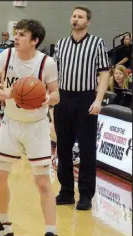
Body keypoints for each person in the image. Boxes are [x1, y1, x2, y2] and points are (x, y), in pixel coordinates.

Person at [0, 19, 60, 236]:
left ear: (35, 40)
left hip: (36, 127)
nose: (17, 37)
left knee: (42, 183)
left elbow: (56, 94)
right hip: (11, 124)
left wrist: (47, 99)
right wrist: (6, 93)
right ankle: (3, 225)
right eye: (17, 33)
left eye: (22, 34)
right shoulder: (7, 56)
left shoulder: (47, 63)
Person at [53, 6, 110, 210]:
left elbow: (105, 73)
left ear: (88, 22)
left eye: (80, 17)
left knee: (86, 149)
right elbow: (54, 73)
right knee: (63, 147)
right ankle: (66, 191)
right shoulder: (61, 44)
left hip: (86, 98)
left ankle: (86, 195)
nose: (76, 19)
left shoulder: (97, 43)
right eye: (74, 16)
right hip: (63, 98)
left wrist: (98, 100)